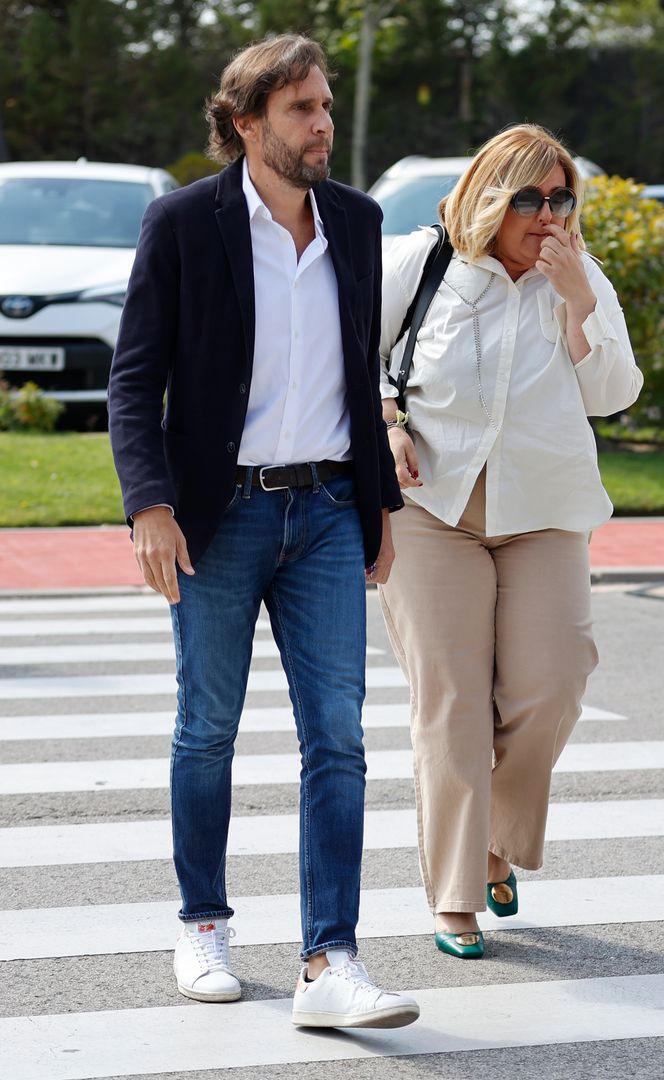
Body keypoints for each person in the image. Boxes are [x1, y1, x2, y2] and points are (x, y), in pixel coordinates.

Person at [108, 34, 419, 1029]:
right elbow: (133, 381)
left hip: (328, 511)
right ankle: (203, 922)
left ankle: (331, 963)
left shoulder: (358, 222)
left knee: (337, 736)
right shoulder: (184, 225)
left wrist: (379, 507)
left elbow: (359, 378)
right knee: (209, 729)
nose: (322, 124)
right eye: (300, 110)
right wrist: (150, 506)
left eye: (325, 106)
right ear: (246, 124)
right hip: (218, 516)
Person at [377, 124, 642, 959]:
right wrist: (385, 424)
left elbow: (613, 394)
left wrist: (577, 301)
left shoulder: (579, 278)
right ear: (491, 196)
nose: (546, 214)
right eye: (528, 196)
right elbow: (349, 357)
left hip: (545, 512)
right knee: (452, 703)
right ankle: (456, 893)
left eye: (560, 198)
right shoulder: (420, 267)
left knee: (555, 684)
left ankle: (496, 842)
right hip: (430, 510)